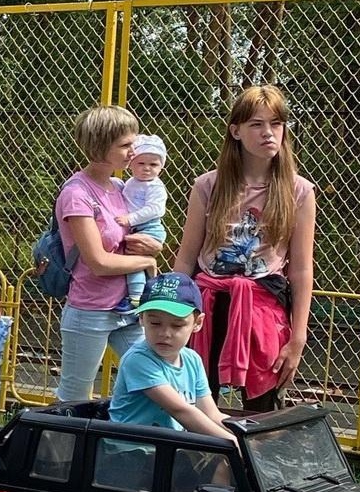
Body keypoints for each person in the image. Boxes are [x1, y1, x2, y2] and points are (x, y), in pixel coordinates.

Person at [172, 85, 315, 413]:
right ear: (236, 131)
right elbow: (187, 256)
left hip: (263, 307)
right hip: (207, 306)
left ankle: (251, 465)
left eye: (276, 124)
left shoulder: (299, 191)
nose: (268, 133)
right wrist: (169, 310)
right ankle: (199, 463)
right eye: (256, 124)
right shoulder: (207, 185)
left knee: (263, 412)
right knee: (194, 405)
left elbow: (301, 269)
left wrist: (298, 337)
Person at [53, 105, 163, 403]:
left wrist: (152, 245)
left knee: (156, 380)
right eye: (125, 145)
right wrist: (147, 261)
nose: (134, 151)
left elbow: (134, 236)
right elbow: (98, 262)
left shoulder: (118, 186)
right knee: (74, 397)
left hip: (127, 308)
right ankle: (58, 449)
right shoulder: (77, 194)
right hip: (91, 309)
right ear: (101, 146)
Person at [110, 273, 232, 440]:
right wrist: (234, 444)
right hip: (132, 451)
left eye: (177, 325)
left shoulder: (192, 360)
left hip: (168, 449)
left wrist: (248, 436)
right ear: (141, 319)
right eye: (155, 323)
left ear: (198, 323)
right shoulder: (138, 359)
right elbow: (181, 410)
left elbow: (211, 414)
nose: (165, 333)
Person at [120, 135, 169, 309]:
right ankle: (145, 290)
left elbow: (156, 209)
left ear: (161, 167)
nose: (147, 168)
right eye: (141, 163)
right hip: (137, 227)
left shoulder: (154, 186)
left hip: (149, 228)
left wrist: (130, 219)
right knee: (136, 264)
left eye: (153, 164)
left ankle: (135, 299)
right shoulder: (130, 183)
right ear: (131, 164)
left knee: (133, 262)